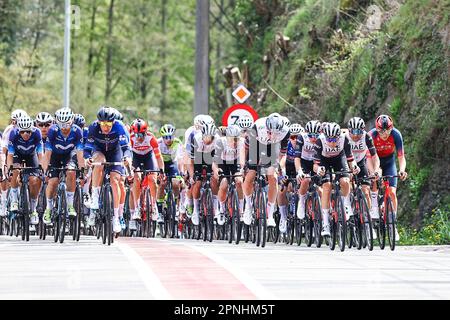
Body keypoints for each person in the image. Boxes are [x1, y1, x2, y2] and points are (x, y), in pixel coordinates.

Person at [84, 106, 132, 233]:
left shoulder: (119, 127)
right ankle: (95, 197)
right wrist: (88, 158)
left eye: (109, 123)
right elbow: (87, 147)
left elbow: (126, 147)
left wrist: (127, 157)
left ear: (113, 122)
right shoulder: (93, 127)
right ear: (99, 122)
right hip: (99, 150)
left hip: (115, 151)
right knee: (99, 162)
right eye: (103, 123)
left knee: (115, 180)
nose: (106, 127)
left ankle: (116, 217)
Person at [242, 113, 290, 227]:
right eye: (269, 132)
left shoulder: (285, 132)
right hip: (256, 145)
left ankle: (270, 214)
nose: (271, 135)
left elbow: (283, 154)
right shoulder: (257, 127)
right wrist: (243, 164)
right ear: (266, 128)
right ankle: (248, 206)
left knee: (272, 176)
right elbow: (246, 148)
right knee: (251, 174)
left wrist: (277, 165)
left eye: (275, 133)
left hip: (272, 149)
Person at [313, 122, 360, 236]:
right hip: (324, 160)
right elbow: (315, 165)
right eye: (329, 140)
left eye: (335, 140)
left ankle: (346, 206)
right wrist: (319, 170)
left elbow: (350, 159)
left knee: (345, 180)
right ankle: (325, 223)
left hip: (339, 158)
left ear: (339, 136)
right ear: (325, 137)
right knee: (327, 186)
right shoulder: (320, 141)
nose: (332, 143)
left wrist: (354, 166)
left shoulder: (344, 139)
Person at [42, 107, 85, 224]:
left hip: (69, 155)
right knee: (53, 181)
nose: (64, 128)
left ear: (72, 122)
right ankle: (49, 208)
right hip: (54, 156)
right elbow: (47, 154)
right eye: (61, 124)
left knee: (71, 172)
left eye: (66, 124)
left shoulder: (77, 131)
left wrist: (82, 173)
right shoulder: (52, 131)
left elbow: (80, 155)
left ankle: (70, 205)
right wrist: (45, 171)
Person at [368, 114, 407, 240]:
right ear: (377, 129)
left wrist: (402, 170)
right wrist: (374, 171)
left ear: (392, 128)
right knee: (374, 182)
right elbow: (368, 157)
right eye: (381, 131)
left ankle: (393, 224)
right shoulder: (371, 135)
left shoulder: (396, 135)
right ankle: (374, 208)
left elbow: (401, 157)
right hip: (375, 161)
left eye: (387, 131)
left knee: (392, 193)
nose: (384, 134)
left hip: (389, 162)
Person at [7, 114, 43, 225]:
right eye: (22, 132)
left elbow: (40, 153)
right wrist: (10, 169)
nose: (25, 134)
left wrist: (41, 167)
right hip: (17, 154)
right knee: (15, 170)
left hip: (31, 155)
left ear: (32, 130)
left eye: (28, 131)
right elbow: (10, 155)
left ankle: (33, 210)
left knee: (34, 180)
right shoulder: (13, 134)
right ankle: (14, 200)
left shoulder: (37, 133)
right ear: (19, 130)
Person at [129, 118, 164, 226]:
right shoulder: (130, 139)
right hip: (135, 157)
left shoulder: (151, 138)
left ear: (145, 133)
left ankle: (154, 207)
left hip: (149, 157)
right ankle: (137, 208)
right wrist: (129, 171)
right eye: (136, 135)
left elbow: (158, 157)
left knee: (152, 179)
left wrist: (161, 171)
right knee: (136, 178)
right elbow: (127, 156)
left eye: (141, 135)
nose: (138, 138)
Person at [187, 122, 220, 226]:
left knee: (215, 179)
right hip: (198, 157)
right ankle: (196, 210)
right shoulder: (196, 139)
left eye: (210, 137)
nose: (207, 139)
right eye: (205, 136)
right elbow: (191, 161)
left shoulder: (218, 140)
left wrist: (216, 172)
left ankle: (215, 207)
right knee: (197, 182)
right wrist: (192, 175)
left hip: (212, 157)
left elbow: (217, 161)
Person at [214, 125, 245, 225]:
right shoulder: (220, 142)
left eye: (236, 138)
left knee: (239, 181)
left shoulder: (241, 142)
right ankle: (222, 209)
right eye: (232, 139)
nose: (235, 141)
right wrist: (216, 170)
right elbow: (215, 161)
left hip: (235, 162)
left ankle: (241, 210)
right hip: (223, 162)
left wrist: (242, 169)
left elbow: (242, 160)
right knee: (223, 184)